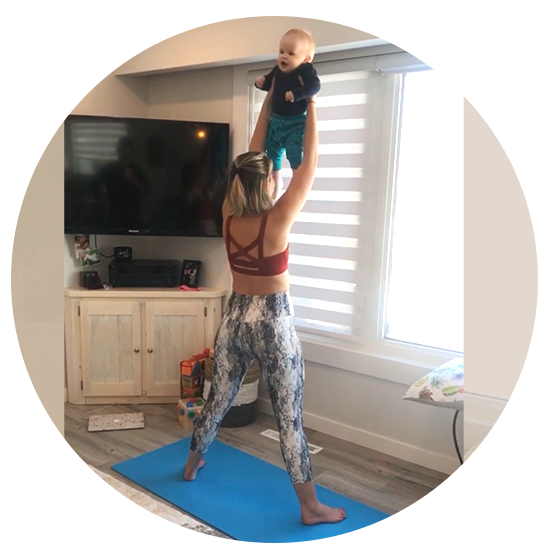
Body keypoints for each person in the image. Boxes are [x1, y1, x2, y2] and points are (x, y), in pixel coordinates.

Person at [183, 80, 346, 527]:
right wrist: (308, 103)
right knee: (289, 420)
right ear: (271, 179)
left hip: (234, 321)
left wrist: (269, 103)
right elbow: (308, 164)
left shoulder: (228, 216)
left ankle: (192, 464)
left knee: (217, 399)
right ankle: (310, 507)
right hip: (273, 325)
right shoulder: (277, 220)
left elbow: (253, 158)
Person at [255, 29, 321, 199]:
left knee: (295, 157)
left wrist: (297, 94)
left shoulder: (305, 71)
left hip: (295, 124)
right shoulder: (278, 69)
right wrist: (262, 82)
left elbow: (314, 87)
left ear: (306, 59)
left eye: (291, 53)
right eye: (281, 51)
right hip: (276, 122)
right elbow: (270, 82)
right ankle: (275, 186)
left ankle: (296, 186)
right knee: (271, 157)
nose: (283, 57)